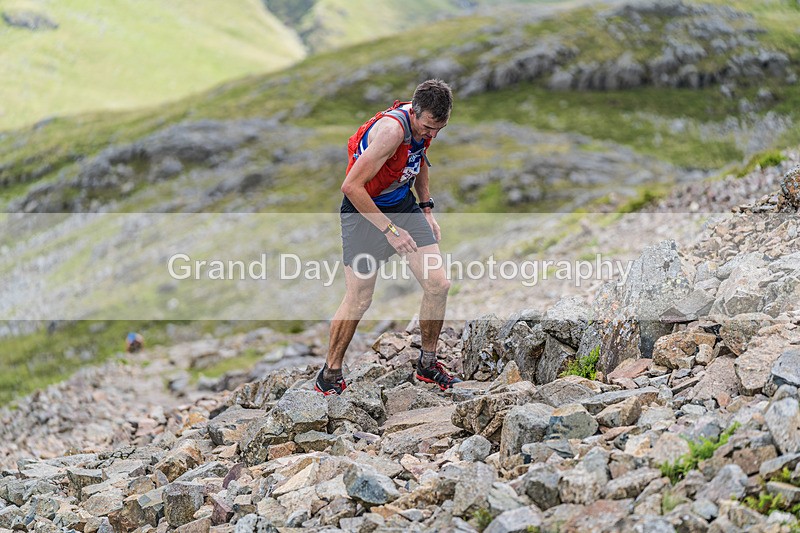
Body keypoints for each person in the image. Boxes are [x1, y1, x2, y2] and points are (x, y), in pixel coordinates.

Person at [315, 79, 462, 395]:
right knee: (360, 298)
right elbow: (351, 187)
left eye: (439, 129)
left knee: (438, 284)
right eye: (427, 127)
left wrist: (425, 208)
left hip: (402, 205)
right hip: (363, 211)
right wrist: (391, 231)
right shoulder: (392, 131)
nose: (432, 134)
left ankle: (427, 364)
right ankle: (329, 375)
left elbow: (419, 159)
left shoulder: (423, 128)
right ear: (414, 112)